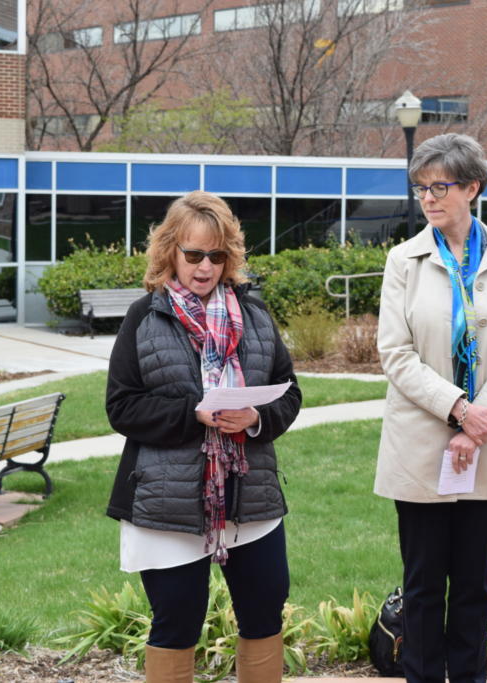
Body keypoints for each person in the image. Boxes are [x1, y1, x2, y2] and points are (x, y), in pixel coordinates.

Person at [105, 190, 301, 683]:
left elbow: (290, 394)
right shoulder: (144, 318)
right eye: (193, 254)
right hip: (167, 501)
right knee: (176, 623)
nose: (205, 266)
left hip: (250, 498)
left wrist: (255, 417)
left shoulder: (255, 316)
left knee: (264, 612)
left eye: (217, 255)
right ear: (170, 251)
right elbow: (121, 406)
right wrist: (195, 413)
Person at [375, 133, 487, 683]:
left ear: (473, 186)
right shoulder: (404, 260)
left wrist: (479, 419)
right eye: (421, 187)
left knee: (473, 586)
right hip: (422, 444)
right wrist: (459, 411)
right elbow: (394, 354)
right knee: (422, 586)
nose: (429, 197)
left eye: (440, 186)